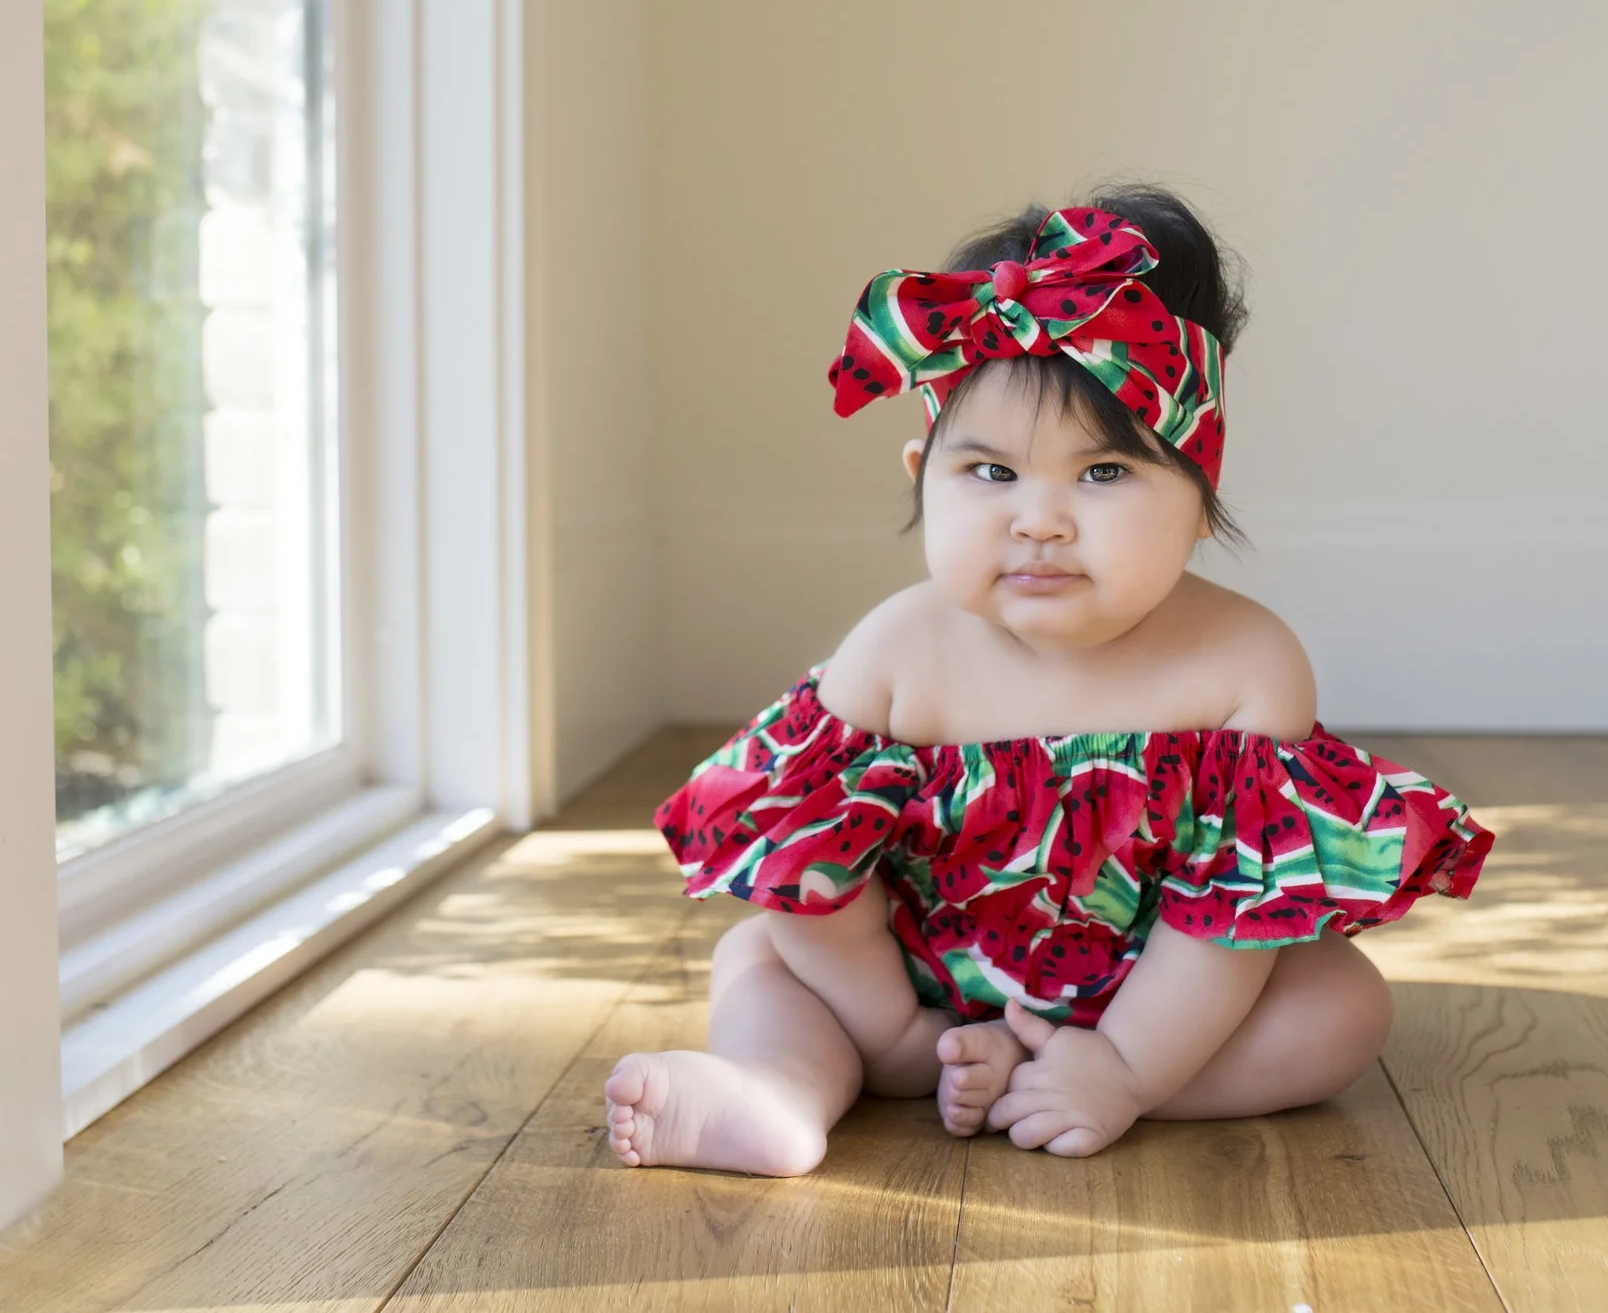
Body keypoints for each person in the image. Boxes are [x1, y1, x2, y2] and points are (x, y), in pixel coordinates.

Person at [605, 185, 1493, 1175]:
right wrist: (896, 1034)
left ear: (1199, 501)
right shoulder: (895, 657)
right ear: (921, 476)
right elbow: (812, 883)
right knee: (760, 961)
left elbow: (1227, 923)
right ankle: (780, 1092)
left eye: (1104, 474)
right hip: (905, 988)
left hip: (1152, 997)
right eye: (990, 474)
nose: (1040, 520)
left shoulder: (1243, 668)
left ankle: (1079, 1084)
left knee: (1341, 1008)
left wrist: (1126, 1063)